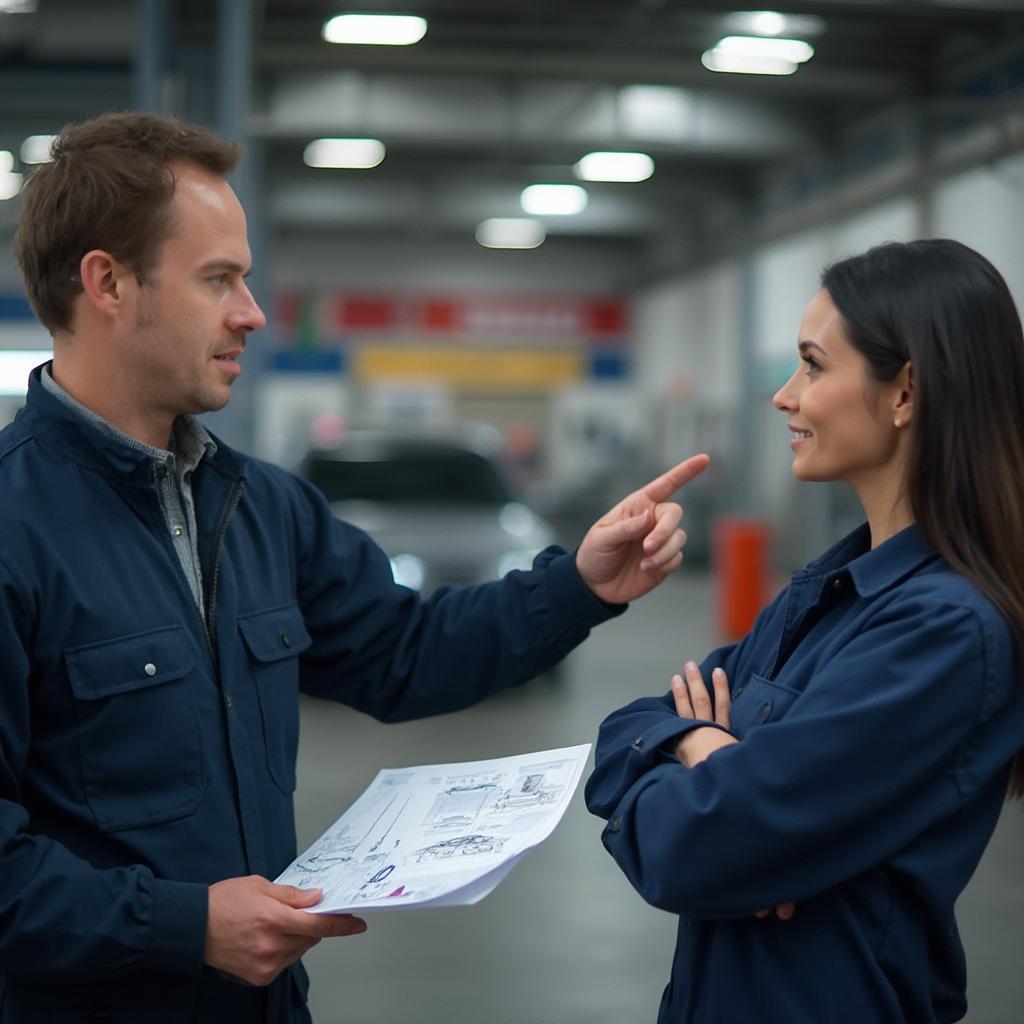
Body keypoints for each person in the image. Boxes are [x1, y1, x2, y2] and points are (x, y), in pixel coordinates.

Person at [0, 111, 709, 1023]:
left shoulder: (260, 507)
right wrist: (181, 925)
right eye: (219, 280)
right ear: (106, 282)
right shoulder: (15, 526)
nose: (252, 313)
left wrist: (578, 586)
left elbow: (403, 651)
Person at [585, 239, 1024, 1024]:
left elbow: (695, 850)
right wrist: (698, 747)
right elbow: (622, 731)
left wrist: (710, 780)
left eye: (814, 366)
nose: (785, 397)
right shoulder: (826, 593)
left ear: (906, 392)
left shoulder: (945, 634)